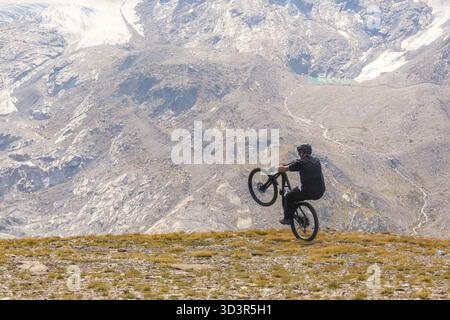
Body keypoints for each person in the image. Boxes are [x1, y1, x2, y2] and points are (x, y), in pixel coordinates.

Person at [277, 144, 326, 225]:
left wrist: (277, 168)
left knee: (288, 196)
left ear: (302, 153)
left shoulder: (300, 162)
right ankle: (298, 215)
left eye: (299, 153)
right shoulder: (317, 161)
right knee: (295, 194)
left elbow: (285, 169)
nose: (299, 155)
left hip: (307, 191)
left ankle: (287, 219)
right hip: (320, 192)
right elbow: (301, 163)